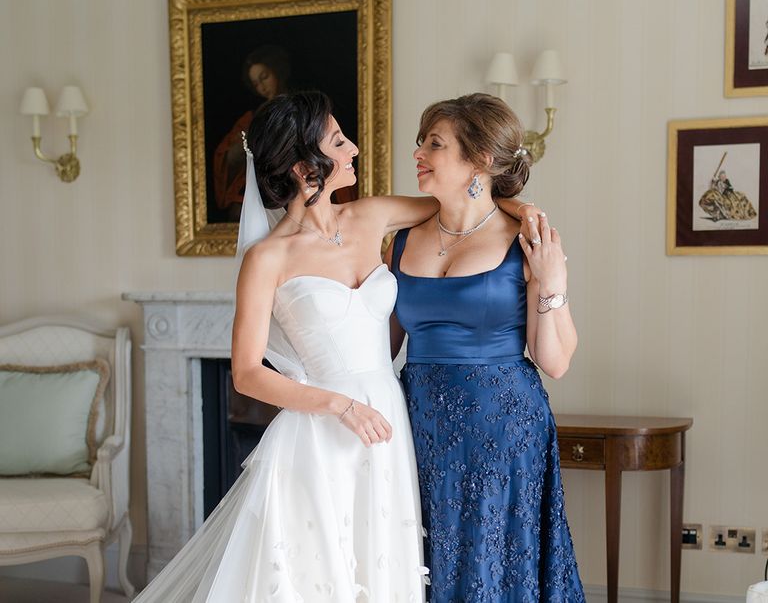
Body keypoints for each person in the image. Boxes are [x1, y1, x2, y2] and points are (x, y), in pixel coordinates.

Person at [134, 91, 542, 601]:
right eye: (338, 141)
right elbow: (246, 373)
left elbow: (462, 201)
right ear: (306, 165)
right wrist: (336, 403)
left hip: (389, 423)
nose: (352, 149)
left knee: (381, 566)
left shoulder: (372, 216)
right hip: (320, 429)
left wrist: (521, 208)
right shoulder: (267, 259)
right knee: (315, 575)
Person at [386, 93, 584, 601]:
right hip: (421, 424)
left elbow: (555, 361)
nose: (419, 153)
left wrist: (552, 280)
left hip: (504, 427)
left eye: (435, 143)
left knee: (493, 563)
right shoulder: (402, 239)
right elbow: (383, 346)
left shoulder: (526, 238)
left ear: (480, 160)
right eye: (421, 142)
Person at [212, 45, 292, 221]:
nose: (262, 87)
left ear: (277, 70)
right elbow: (228, 157)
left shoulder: (300, 108)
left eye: (264, 77)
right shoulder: (254, 116)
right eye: (256, 83)